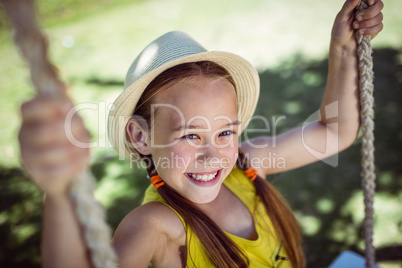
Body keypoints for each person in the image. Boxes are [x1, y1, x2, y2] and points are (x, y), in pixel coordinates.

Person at [18, 0, 384, 267]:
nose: (212, 156)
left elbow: (334, 132)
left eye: (225, 132)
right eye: (190, 136)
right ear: (140, 136)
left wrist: (343, 48)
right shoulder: (157, 225)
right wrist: (60, 191)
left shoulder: (246, 167)